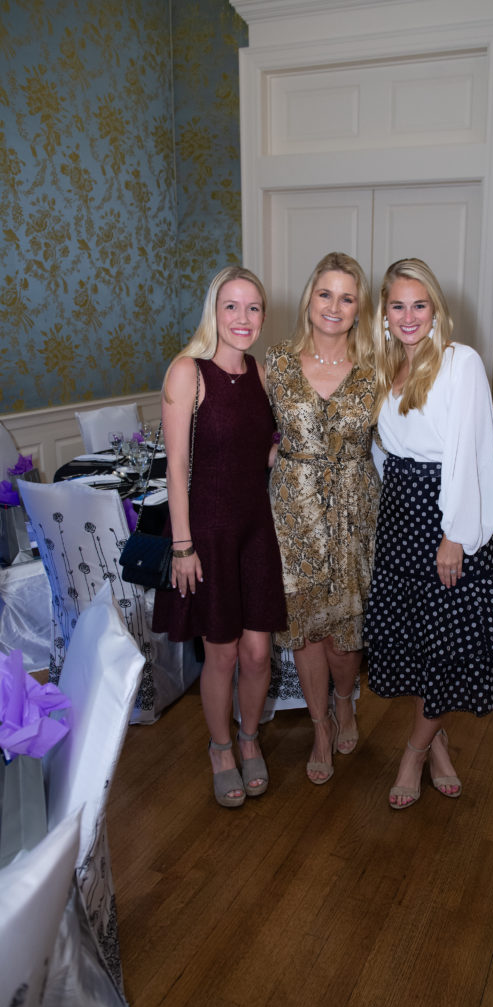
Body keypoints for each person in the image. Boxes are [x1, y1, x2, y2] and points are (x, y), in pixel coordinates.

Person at [365, 258, 493, 809]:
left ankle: (413, 751)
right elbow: (383, 451)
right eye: (397, 305)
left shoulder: (459, 363)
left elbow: (472, 453)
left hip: (444, 515)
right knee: (419, 639)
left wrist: (454, 534)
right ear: (384, 312)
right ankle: (438, 743)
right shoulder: (383, 366)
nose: (408, 317)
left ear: (436, 311)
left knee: (450, 641)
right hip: (400, 514)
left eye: (419, 305)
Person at [152, 266, 287, 808]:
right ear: (214, 311)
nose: (243, 318)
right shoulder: (188, 371)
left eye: (253, 308)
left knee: (258, 652)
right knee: (223, 653)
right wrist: (182, 545)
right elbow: (176, 470)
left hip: (256, 527)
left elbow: (262, 450)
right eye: (231, 306)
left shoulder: (262, 372)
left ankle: (250, 735)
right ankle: (220, 748)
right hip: (206, 528)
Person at [266, 252, 380, 784]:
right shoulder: (276, 365)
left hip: (358, 509)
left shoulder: (379, 369)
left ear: (360, 309)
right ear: (310, 299)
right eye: (325, 294)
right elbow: (250, 432)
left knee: (345, 632)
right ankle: (319, 726)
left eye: (347, 297)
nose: (334, 306)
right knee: (306, 630)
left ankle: (345, 699)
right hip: (294, 511)